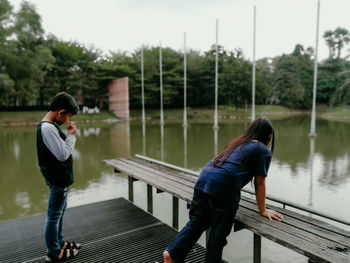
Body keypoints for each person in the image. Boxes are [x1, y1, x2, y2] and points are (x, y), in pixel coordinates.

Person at [163, 117, 284, 263]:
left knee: (196, 223)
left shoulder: (237, 143)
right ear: (269, 139)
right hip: (224, 188)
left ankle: (172, 254)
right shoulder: (262, 150)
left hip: (203, 180)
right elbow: (260, 183)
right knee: (217, 235)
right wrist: (263, 210)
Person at [36, 92, 81, 262]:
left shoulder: (48, 126)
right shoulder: (48, 128)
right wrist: (71, 136)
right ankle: (53, 251)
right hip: (58, 179)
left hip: (59, 178)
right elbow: (62, 155)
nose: (68, 120)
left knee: (59, 213)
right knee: (54, 215)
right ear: (61, 112)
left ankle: (59, 242)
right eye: (68, 115)